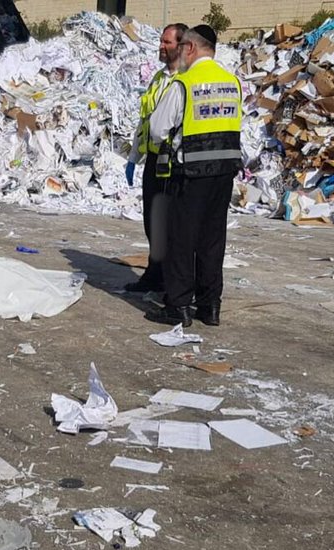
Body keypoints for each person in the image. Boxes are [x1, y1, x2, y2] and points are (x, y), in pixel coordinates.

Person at [144, 24, 243, 328]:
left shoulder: (184, 84)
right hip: (224, 173)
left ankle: (178, 306)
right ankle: (210, 305)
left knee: (180, 240)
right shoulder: (232, 82)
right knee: (213, 239)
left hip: (189, 173)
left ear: (189, 48)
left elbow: (158, 129)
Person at [123, 23, 189, 293]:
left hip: (173, 162)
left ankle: (170, 278)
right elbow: (146, 121)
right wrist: (134, 155)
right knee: (152, 219)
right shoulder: (159, 79)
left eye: (167, 42)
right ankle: (155, 272)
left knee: (170, 223)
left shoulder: (186, 80)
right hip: (153, 159)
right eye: (161, 41)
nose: (161, 46)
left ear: (181, 46)